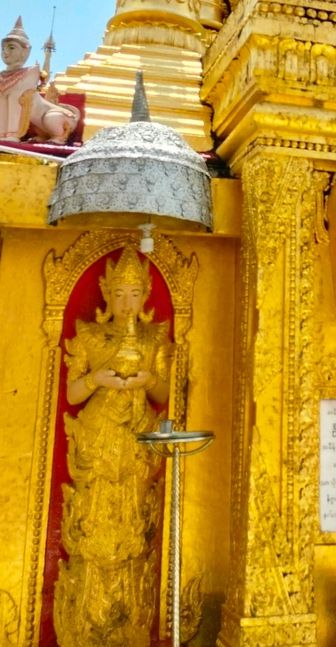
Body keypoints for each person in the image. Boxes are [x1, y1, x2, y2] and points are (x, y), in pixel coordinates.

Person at [53, 246, 173, 647]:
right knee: (93, 528)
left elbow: (164, 391)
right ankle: (84, 623)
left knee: (134, 529)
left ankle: (129, 620)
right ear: (105, 292)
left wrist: (144, 382)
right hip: (98, 438)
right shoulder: (89, 334)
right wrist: (98, 380)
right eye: (119, 293)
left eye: (134, 294)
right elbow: (71, 395)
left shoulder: (156, 337)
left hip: (136, 441)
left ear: (146, 294)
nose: (126, 303)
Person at [0, 17, 78, 143]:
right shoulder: (4, 76)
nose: (5, 53)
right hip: (40, 124)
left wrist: (12, 136)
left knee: (50, 118)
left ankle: (59, 136)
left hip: (57, 118)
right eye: (3, 48)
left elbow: (16, 103)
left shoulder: (28, 74)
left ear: (26, 51)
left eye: (11, 48)